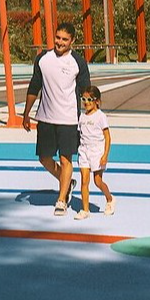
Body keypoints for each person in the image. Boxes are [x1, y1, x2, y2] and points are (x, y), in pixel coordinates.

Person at [22, 22, 91, 216]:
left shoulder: (78, 62)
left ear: (72, 41)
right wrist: (26, 113)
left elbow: (86, 90)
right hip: (46, 117)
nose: (60, 42)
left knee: (65, 158)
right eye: (58, 38)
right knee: (44, 158)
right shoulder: (43, 59)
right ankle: (66, 181)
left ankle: (61, 199)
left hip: (68, 119)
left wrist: (89, 116)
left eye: (65, 39)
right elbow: (34, 86)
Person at [74, 85, 114, 220]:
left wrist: (105, 155)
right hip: (84, 151)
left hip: (97, 151)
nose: (86, 102)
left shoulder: (100, 116)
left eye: (89, 99)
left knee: (97, 181)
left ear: (96, 101)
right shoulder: (82, 117)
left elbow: (107, 137)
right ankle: (85, 209)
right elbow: (80, 134)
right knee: (84, 180)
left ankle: (110, 199)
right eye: (84, 99)